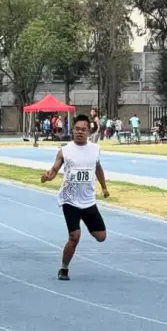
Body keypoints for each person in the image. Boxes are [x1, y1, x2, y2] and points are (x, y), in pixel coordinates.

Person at [41, 114, 110, 281]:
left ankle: (86, 222)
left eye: (83, 130)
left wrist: (104, 187)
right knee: (75, 236)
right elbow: (55, 169)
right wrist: (48, 176)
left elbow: (98, 168)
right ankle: (64, 268)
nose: (80, 132)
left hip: (88, 201)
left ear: (88, 131)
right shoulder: (65, 150)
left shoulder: (94, 149)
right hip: (69, 199)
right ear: (72, 130)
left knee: (101, 237)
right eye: (77, 129)